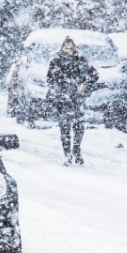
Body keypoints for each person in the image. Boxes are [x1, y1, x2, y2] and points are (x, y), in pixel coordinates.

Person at [46, 37, 100, 165]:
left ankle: (76, 150)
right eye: (66, 48)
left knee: (79, 127)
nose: (69, 51)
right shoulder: (56, 60)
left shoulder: (80, 59)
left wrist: (85, 84)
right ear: (61, 47)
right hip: (62, 99)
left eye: (71, 48)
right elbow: (50, 79)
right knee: (64, 127)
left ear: (74, 47)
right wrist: (58, 91)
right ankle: (67, 155)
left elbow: (94, 75)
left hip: (77, 99)